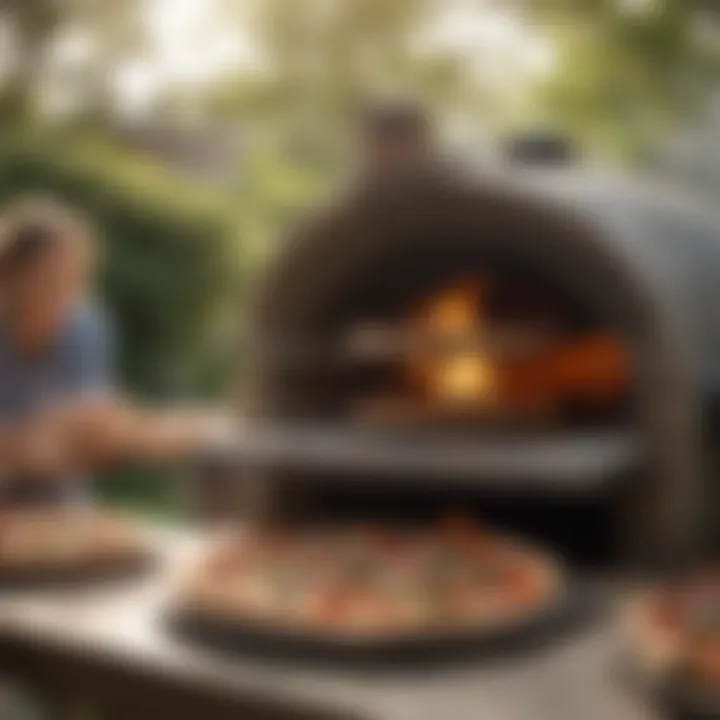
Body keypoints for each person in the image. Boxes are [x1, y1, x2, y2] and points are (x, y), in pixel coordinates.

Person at [0, 196, 225, 507]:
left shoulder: (84, 326)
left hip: (57, 503)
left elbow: (88, 434)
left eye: (76, 277)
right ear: (11, 276)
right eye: (52, 277)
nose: (66, 292)